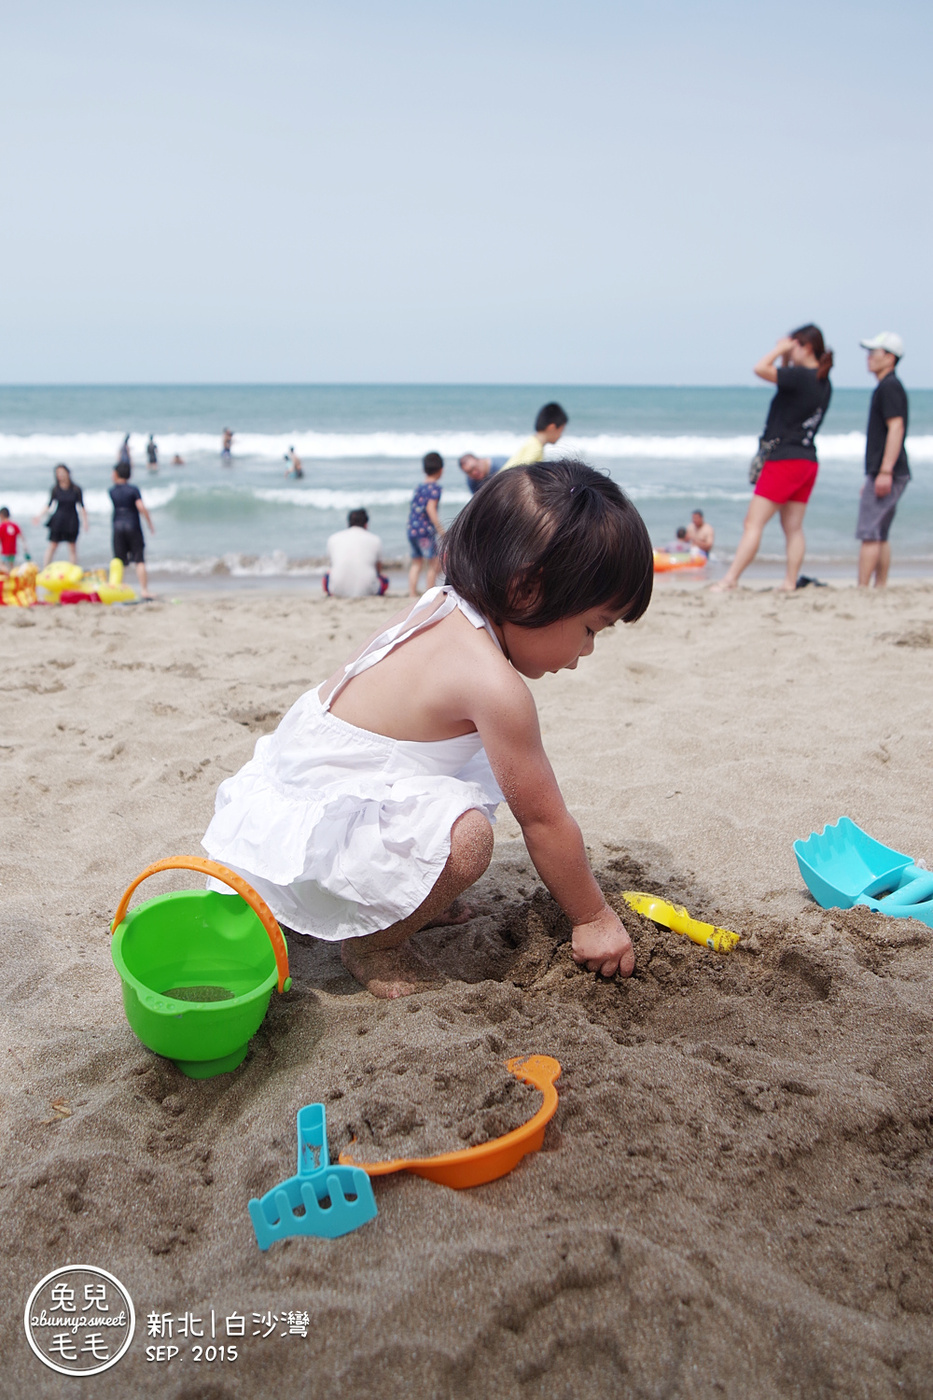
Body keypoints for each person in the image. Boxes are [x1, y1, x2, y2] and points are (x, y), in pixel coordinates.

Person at [201, 459, 653, 999]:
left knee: (448, 807)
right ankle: (375, 943)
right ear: (528, 589)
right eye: (589, 627)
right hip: (318, 830)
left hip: (290, 805)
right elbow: (544, 821)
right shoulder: (495, 687)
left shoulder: (438, 605)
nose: (587, 651)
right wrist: (593, 915)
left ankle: (395, 895)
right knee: (467, 840)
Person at [711, 325, 832, 593]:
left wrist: (780, 348)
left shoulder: (800, 377)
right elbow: (787, 381)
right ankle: (789, 582)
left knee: (753, 523)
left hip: (784, 460)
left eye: (794, 345)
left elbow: (760, 368)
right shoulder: (822, 381)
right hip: (807, 460)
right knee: (793, 527)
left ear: (806, 346)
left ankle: (729, 580)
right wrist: (789, 354)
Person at [856, 332, 909, 588]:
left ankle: (864, 588)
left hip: (889, 469)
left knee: (870, 533)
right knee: (880, 533)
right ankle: (880, 586)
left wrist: (884, 471)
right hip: (887, 469)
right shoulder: (888, 386)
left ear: (889, 357)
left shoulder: (889, 387)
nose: (868, 358)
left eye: (873, 353)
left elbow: (896, 427)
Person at [110, 462, 155, 600]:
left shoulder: (112, 491)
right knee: (139, 559)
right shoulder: (133, 490)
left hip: (117, 526)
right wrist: (150, 524)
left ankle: (117, 589)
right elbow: (140, 507)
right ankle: (144, 590)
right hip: (133, 525)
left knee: (119, 560)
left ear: (116, 474)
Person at [324, 508, 389, 597]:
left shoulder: (333, 539)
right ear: (366, 524)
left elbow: (332, 565)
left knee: (327, 575)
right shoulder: (375, 540)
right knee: (384, 579)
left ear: (348, 523)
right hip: (369, 592)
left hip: (336, 591)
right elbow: (378, 569)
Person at [34, 464, 89, 566]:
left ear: (68, 473)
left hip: (72, 520)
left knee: (72, 547)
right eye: (58, 473)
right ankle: (45, 569)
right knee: (53, 545)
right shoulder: (55, 489)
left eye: (62, 472)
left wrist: (85, 522)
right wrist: (39, 516)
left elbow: (82, 506)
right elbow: (49, 505)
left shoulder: (76, 489)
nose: (61, 475)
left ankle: (73, 571)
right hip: (58, 520)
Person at [407, 452, 445, 596]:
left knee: (416, 562)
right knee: (433, 563)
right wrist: (440, 529)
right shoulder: (435, 489)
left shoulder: (419, 487)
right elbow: (431, 509)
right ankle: (430, 593)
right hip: (424, 532)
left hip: (412, 529)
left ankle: (412, 593)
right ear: (441, 470)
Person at [502, 403, 569, 471]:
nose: (561, 436)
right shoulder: (536, 448)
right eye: (561, 430)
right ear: (552, 428)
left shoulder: (533, 441)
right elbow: (523, 472)